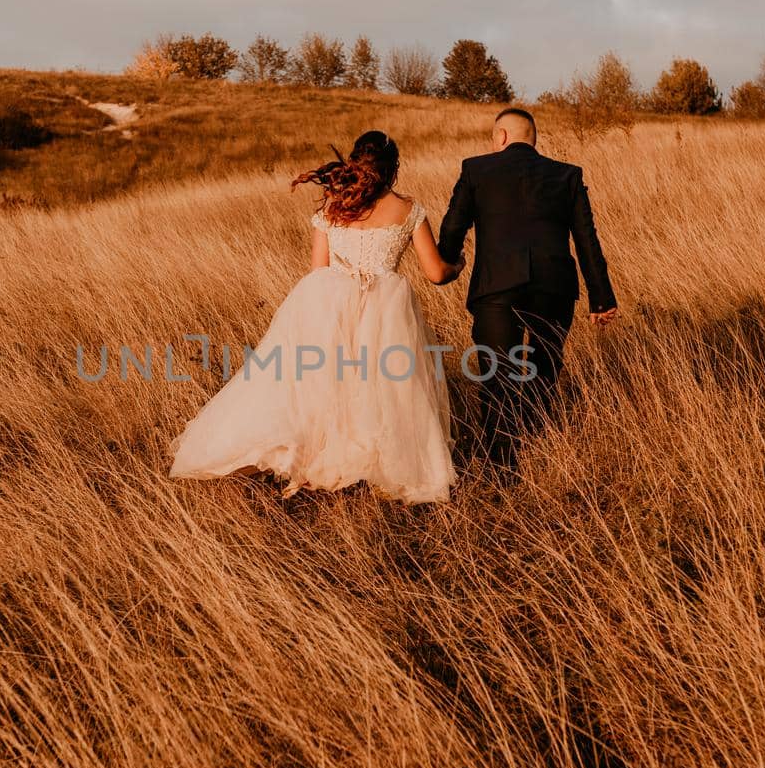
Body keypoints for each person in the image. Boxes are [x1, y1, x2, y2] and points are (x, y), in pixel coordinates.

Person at [169, 131, 461, 503]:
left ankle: (309, 454)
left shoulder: (334, 206)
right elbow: (436, 273)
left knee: (318, 384)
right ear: (394, 169)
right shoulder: (408, 209)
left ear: (354, 164)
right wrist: (457, 265)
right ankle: (371, 461)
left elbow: (318, 268)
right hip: (385, 308)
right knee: (383, 386)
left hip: (327, 300)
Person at [436, 107, 618, 467]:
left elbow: (453, 227)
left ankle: (502, 465)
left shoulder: (476, 169)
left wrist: (449, 263)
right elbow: (587, 241)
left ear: (501, 136)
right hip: (555, 287)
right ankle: (535, 444)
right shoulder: (567, 175)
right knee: (545, 369)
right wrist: (601, 298)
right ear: (533, 137)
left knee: (496, 374)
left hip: (496, 288)